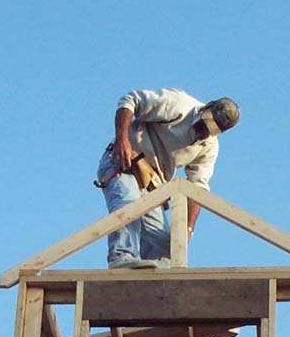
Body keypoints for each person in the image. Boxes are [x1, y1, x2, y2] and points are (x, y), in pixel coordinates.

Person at [96, 88, 240, 269]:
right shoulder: (179, 105)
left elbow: (198, 188)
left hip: (152, 183)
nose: (203, 130)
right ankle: (121, 257)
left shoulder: (209, 146)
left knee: (162, 246)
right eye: (204, 123)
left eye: (210, 130)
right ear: (206, 108)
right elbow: (130, 100)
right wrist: (122, 140)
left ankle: (158, 278)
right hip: (124, 162)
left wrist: (188, 229)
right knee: (128, 205)